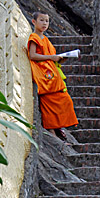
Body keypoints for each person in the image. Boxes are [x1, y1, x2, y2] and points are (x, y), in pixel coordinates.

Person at [28, 11, 78, 140]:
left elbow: (50, 56)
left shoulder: (46, 39)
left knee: (64, 99)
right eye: (42, 20)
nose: (45, 23)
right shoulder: (34, 38)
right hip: (43, 75)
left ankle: (59, 126)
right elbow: (32, 55)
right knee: (49, 104)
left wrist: (60, 59)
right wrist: (51, 57)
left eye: (47, 21)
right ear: (34, 22)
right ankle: (52, 132)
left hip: (52, 73)